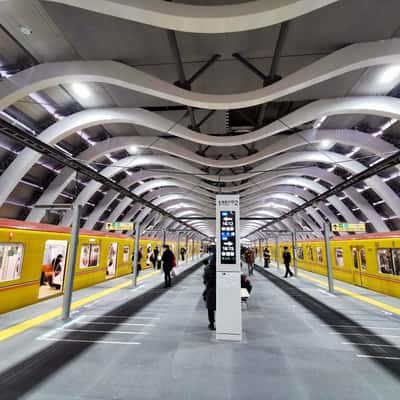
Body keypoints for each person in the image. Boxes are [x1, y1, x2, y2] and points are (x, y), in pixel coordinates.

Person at [203, 252, 216, 331]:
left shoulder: (207, 268)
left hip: (211, 290)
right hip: (221, 290)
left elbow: (205, 280)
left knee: (210, 308)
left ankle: (211, 323)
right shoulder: (222, 268)